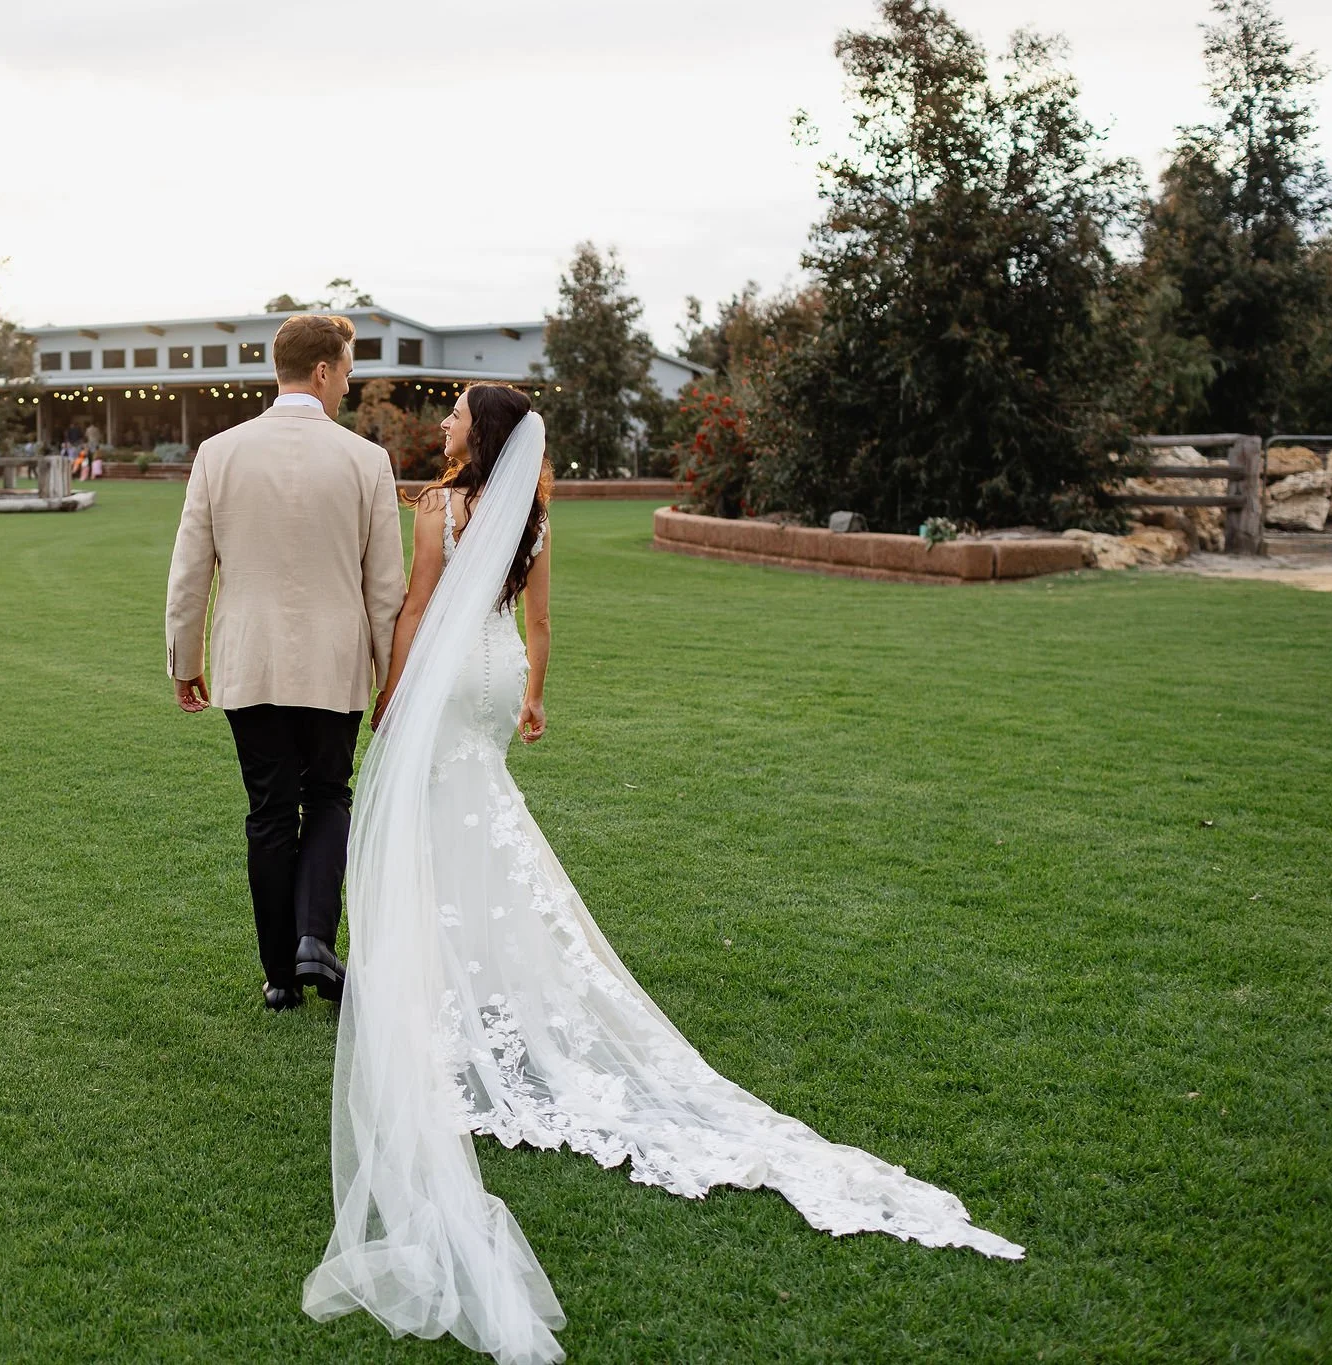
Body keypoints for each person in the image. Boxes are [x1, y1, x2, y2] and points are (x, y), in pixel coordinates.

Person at [302, 383, 1024, 1365]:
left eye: (460, 414)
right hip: (498, 670)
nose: (448, 424)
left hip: (444, 674)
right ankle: (480, 997)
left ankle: (445, 1004)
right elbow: (541, 625)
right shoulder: (531, 516)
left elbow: (421, 604)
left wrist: (390, 700)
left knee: (434, 828)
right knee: (478, 821)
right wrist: (533, 702)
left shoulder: (440, 506)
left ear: (485, 434)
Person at [165, 314, 404, 1011]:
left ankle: (279, 977)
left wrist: (185, 658)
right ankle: (313, 939)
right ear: (324, 370)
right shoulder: (366, 460)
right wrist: (393, 680)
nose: (348, 388)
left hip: (250, 659)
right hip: (336, 664)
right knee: (328, 795)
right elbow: (384, 587)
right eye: (348, 373)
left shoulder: (218, 452)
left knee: (270, 811)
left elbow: (189, 572)